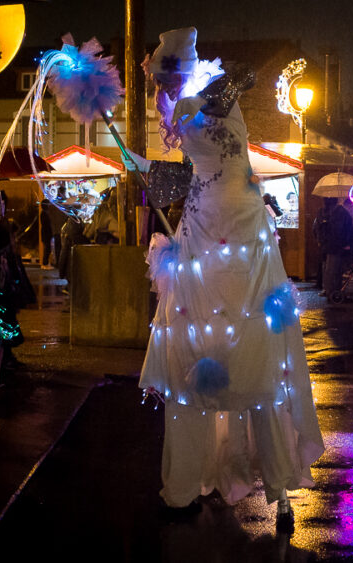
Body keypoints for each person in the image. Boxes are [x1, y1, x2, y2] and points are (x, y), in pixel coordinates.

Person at [127, 27, 323, 531]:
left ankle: (262, 489)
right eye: (162, 79)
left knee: (250, 358)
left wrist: (199, 96)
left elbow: (242, 76)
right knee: (203, 353)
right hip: (210, 229)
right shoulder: (187, 104)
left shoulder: (208, 94)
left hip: (236, 230)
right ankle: (190, 488)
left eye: (167, 75)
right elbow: (194, 170)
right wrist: (144, 168)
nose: (164, 87)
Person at [319, 197, 353, 299]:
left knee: (328, 269)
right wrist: (347, 243)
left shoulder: (322, 212)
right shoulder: (342, 213)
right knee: (335, 270)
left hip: (326, 245)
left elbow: (317, 228)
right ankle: (334, 292)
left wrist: (321, 241)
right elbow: (348, 229)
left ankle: (329, 290)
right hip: (338, 246)